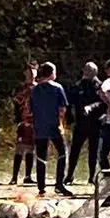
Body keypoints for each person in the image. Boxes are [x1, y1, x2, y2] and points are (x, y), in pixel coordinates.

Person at [30, 62, 73, 197]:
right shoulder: (57, 88)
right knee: (62, 153)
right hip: (54, 125)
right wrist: (61, 123)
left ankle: (41, 186)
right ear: (51, 73)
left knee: (41, 155)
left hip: (39, 125)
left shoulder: (34, 90)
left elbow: (31, 109)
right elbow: (62, 108)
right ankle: (59, 183)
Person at [65, 62, 104, 185]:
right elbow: (70, 101)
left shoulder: (100, 86)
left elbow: (102, 103)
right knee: (75, 150)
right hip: (80, 123)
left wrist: (91, 107)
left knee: (93, 151)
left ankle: (92, 177)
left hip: (95, 123)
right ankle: (69, 175)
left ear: (95, 72)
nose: (86, 72)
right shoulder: (79, 85)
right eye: (85, 70)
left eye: (89, 71)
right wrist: (69, 117)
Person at [10, 62, 38, 185]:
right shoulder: (21, 89)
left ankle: (28, 175)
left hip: (34, 121)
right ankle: (14, 176)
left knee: (31, 148)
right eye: (29, 71)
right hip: (23, 121)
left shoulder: (38, 88)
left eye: (33, 71)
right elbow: (16, 103)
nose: (31, 74)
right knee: (20, 148)